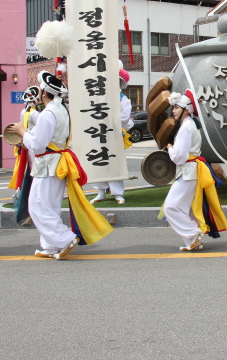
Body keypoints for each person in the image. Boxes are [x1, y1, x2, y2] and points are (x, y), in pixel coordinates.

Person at [8, 72, 113, 259]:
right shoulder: (62, 109)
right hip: (56, 163)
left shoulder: (48, 113)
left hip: (48, 165)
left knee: (37, 207)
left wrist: (23, 132)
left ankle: (64, 239)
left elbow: (39, 144)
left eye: (40, 90)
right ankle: (50, 246)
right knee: (50, 206)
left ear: (44, 92)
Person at [163, 89, 227, 251]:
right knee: (185, 207)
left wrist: (170, 148)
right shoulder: (190, 125)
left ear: (186, 110)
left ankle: (194, 232)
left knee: (171, 207)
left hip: (188, 172)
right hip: (191, 171)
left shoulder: (187, 127)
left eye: (176, 108)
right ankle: (193, 240)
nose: (173, 111)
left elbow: (179, 156)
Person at [92, 61, 134, 205]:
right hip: (100, 134)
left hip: (115, 135)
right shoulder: (99, 97)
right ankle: (100, 192)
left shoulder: (124, 99)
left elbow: (124, 117)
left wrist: (109, 120)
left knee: (115, 163)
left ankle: (117, 193)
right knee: (100, 163)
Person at [8, 86, 41, 225]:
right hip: (33, 147)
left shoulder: (23, 112)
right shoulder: (35, 114)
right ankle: (33, 211)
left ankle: (26, 210)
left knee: (28, 176)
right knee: (35, 177)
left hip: (26, 146)